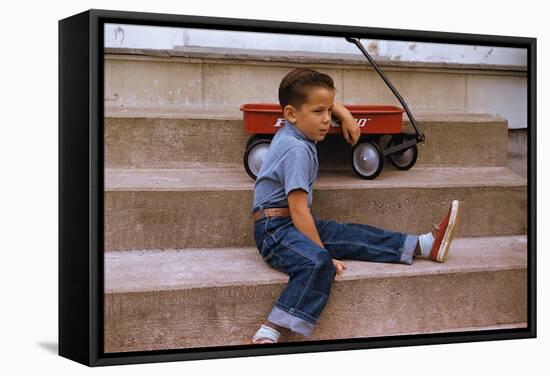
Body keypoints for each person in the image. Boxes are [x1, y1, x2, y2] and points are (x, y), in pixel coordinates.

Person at [250, 68, 462, 344]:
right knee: (319, 263)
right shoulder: (296, 150)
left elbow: (321, 101)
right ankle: (270, 330)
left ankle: (423, 244)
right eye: (319, 112)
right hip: (274, 231)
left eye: (329, 111)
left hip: (286, 222)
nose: (327, 119)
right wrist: (320, 250)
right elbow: (299, 210)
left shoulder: (296, 133)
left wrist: (345, 114)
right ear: (291, 114)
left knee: (349, 233)